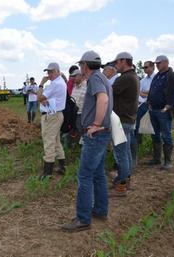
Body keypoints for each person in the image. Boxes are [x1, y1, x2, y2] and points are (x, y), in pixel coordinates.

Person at [61, 50, 113, 232]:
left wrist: (96, 123)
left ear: (85, 65)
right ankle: (99, 210)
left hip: (96, 135)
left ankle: (83, 219)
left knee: (84, 175)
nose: (81, 68)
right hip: (102, 134)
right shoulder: (103, 78)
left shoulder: (94, 79)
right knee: (97, 174)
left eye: (81, 65)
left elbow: (103, 99)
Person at [110, 52, 139, 197]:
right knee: (125, 153)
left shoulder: (125, 78)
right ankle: (125, 180)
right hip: (127, 120)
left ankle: (121, 186)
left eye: (117, 62)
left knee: (120, 154)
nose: (115, 65)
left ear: (123, 61)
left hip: (121, 121)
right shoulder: (133, 76)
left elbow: (109, 92)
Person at [146, 55, 174, 170]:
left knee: (166, 135)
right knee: (155, 134)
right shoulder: (157, 76)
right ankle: (156, 159)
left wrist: (168, 106)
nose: (157, 65)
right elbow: (152, 90)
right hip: (153, 110)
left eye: (159, 63)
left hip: (164, 111)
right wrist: (149, 103)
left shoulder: (172, 76)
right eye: (156, 63)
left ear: (166, 62)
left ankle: (168, 162)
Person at [37, 63, 67, 178]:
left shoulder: (55, 84)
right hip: (55, 114)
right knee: (55, 141)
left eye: (50, 72)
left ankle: (47, 173)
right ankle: (62, 166)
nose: (48, 74)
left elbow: (39, 97)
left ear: (57, 71)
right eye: (48, 72)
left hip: (51, 116)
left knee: (49, 141)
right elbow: (43, 98)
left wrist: (41, 84)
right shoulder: (60, 82)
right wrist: (43, 99)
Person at [130, 61, 156, 166]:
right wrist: (146, 93)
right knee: (137, 126)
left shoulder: (156, 78)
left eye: (146, 67)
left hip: (153, 105)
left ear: (152, 67)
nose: (145, 69)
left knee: (155, 130)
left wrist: (146, 93)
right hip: (142, 105)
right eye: (143, 67)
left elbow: (154, 92)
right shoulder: (143, 80)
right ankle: (136, 150)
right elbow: (140, 93)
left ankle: (156, 156)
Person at [69, 69, 87, 144]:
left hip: (82, 113)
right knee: (77, 129)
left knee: (83, 130)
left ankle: (85, 145)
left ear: (80, 76)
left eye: (75, 76)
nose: (73, 78)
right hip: (75, 112)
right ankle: (79, 145)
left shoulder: (87, 85)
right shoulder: (75, 86)